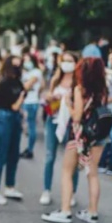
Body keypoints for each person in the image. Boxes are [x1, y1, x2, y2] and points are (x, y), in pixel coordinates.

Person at [42, 57, 108, 223]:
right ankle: (92, 212)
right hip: (98, 135)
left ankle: (65, 211)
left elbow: (77, 116)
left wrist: (68, 104)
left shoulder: (80, 89)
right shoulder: (103, 89)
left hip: (80, 136)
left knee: (67, 171)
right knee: (92, 174)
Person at [39, 52, 79, 206]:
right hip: (53, 120)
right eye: (65, 61)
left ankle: (72, 192)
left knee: (72, 160)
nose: (67, 64)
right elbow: (46, 96)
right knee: (49, 156)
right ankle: (46, 190)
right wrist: (49, 98)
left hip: (71, 123)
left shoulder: (78, 82)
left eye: (70, 61)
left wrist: (68, 101)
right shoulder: (56, 79)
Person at [0, 56, 25, 205]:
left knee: (13, 154)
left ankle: (10, 186)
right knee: (1, 153)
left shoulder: (17, 82)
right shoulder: (4, 83)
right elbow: (15, 105)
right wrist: (21, 98)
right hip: (5, 117)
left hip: (14, 118)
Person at [20, 53, 43, 159]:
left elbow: (27, 85)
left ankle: (30, 149)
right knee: (27, 125)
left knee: (31, 126)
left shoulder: (36, 72)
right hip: (26, 101)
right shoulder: (26, 72)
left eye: (28, 60)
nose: (26, 62)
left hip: (31, 102)